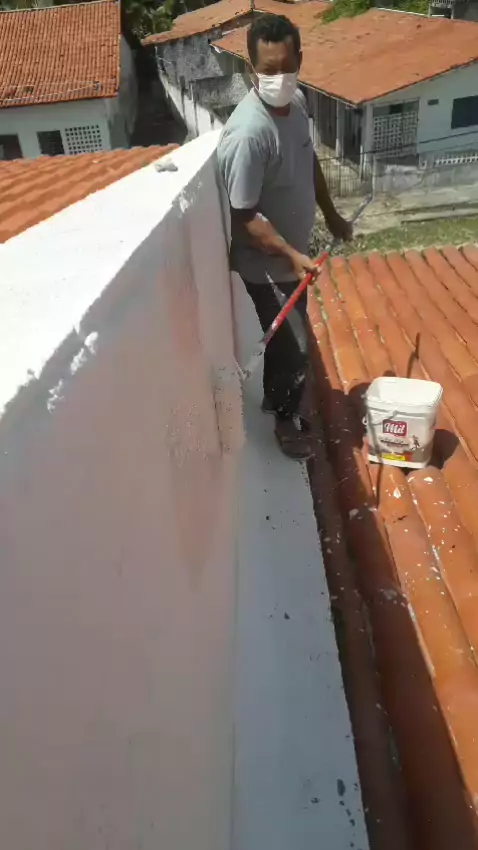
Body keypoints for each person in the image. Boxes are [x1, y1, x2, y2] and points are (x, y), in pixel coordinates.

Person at [217, 13, 352, 460]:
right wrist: (292, 254)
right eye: (268, 70)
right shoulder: (248, 135)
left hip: (291, 258)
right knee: (293, 344)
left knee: (289, 339)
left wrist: (331, 214)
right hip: (266, 265)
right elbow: (243, 215)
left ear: (300, 60)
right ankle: (284, 418)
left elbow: (308, 159)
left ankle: (280, 401)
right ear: (250, 69)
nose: (279, 77)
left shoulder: (297, 103)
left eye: (287, 66)